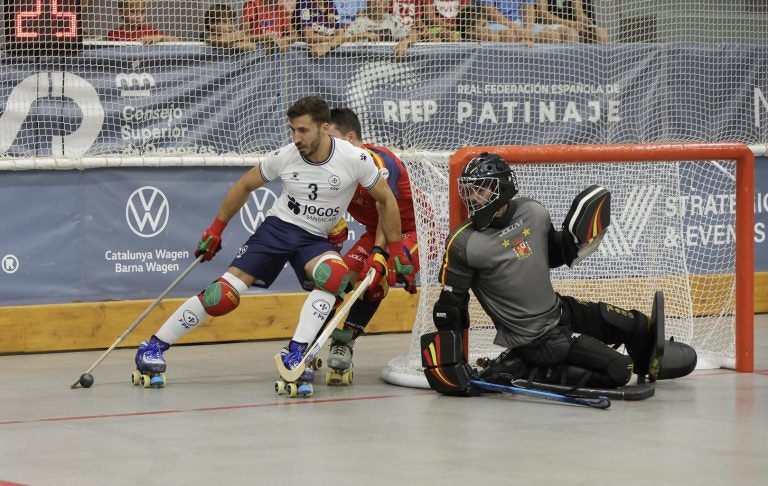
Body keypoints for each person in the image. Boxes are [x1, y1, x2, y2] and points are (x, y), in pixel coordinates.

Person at [132, 96, 412, 387]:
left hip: (314, 239)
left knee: (335, 277)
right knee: (222, 296)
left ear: (325, 128)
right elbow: (245, 185)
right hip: (277, 230)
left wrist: (393, 249)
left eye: (303, 130)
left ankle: (296, 353)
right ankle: (152, 347)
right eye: (292, 129)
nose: (296, 137)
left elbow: (386, 199)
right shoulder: (285, 156)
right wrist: (216, 229)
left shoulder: (355, 159)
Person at [422, 152, 698, 396]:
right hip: (536, 339)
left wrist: (575, 241)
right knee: (619, 369)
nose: (472, 197)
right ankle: (525, 369)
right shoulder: (463, 243)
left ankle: (652, 365)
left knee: (637, 324)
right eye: (469, 191)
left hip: (558, 310)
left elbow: (552, 255)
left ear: (503, 187)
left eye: (480, 190)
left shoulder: (533, 212)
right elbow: (451, 308)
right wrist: (452, 366)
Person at [324, 107, 419, 378]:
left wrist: (379, 252)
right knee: (336, 280)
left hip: (411, 231)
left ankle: (344, 343)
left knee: (373, 278)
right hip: (375, 229)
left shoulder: (379, 160)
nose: (326, 148)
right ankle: (306, 342)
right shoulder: (332, 166)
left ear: (351, 137)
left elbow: (384, 208)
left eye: (331, 139)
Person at [294, 0, 379, 57]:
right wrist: (334, 39)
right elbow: (309, 37)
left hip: (330, 55)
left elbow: (341, 35)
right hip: (309, 58)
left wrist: (328, 46)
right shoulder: (304, 3)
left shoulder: (331, 5)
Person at [475, 0, 578, 45]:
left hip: (521, 23)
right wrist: (517, 30)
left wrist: (528, 30)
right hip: (495, 22)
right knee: (509, 35)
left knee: (551, 36)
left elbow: (528, 6)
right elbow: (489, 11)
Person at [536, 0, 608, 43]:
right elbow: (542, 14)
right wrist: (570, 23)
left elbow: (578, 11)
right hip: (550, 23)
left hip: (572, 24)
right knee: (571, 34)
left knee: (601, 34)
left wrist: (584, 20)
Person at [106, 0, 178, 44]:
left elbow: (176, 40)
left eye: (142, 12)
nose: (138, 16)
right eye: (133, 11)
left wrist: (160, 38)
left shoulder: (148, 31)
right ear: (121, 12)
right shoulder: (113, 34)